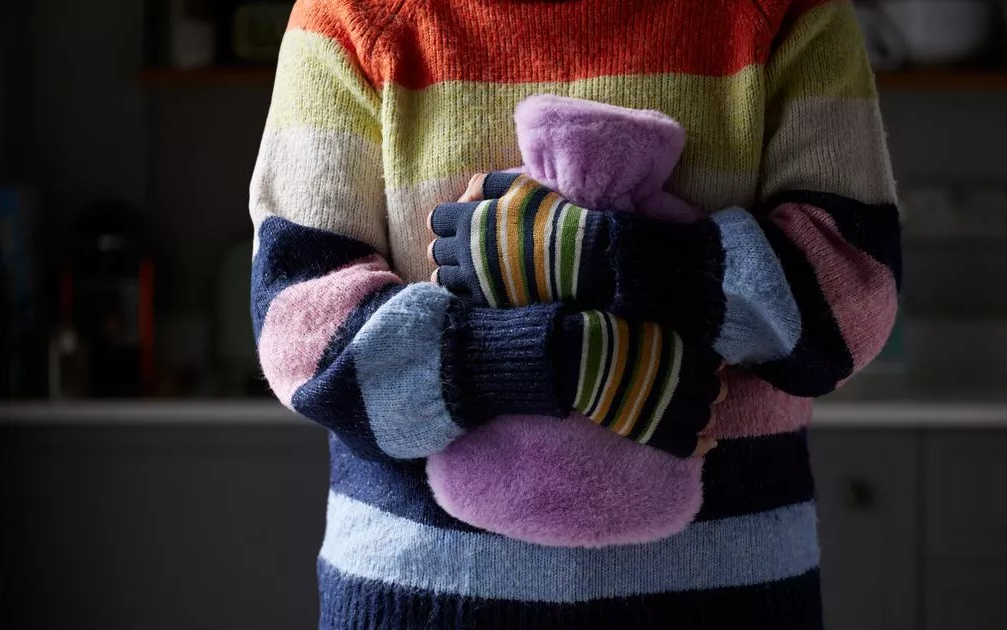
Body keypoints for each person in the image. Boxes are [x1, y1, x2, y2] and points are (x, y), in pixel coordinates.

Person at [248, 0, 901, 627]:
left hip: (728, 597)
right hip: (419, 597)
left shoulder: (784, 11)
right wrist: (564, 360)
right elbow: (302, 333)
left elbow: (850, 298)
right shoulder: (353, 16)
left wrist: (598, 256)